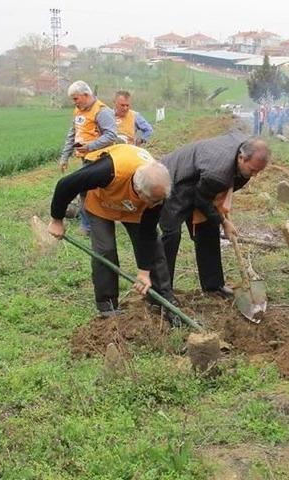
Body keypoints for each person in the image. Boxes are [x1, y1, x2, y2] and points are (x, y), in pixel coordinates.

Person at [48, 144, 179, 323]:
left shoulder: (157, 191)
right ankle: (107, 306)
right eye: (154, 201)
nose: (158, 205)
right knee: (106, 250)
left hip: (134, 209)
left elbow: (147, 233)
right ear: (139, 191)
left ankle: (162, 300)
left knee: (154, 249)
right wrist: (57, 219)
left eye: (160, 201)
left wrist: (143, 272)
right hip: (101, 203)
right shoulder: (107, 170)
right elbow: (66, 184)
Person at [159, 133, 270, 297]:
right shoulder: (218, 174)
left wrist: (219, 217)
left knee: (208, 230)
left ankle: (213, 285)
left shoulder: (244, 146)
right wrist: (223, 221)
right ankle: (162, 290)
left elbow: (212, 195)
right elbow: (201, 201)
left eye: (258, 171)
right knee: (171, 235)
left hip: (200, 179)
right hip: (173, 181)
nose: (254, 175)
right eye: (253, 170)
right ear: (241, 158)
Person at [58, 81, 118, 234]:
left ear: (86, 95)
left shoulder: (102, 111)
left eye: (76, 98)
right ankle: (89, 224)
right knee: (85, 191)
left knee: (91, 191)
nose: (74, 102)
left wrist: (90, 146)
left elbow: (111, 135)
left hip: (101, 159)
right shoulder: (78, 111)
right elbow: (72, 135)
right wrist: (64, 157)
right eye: (73, 99)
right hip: (86, 159)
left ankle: (89, 226)